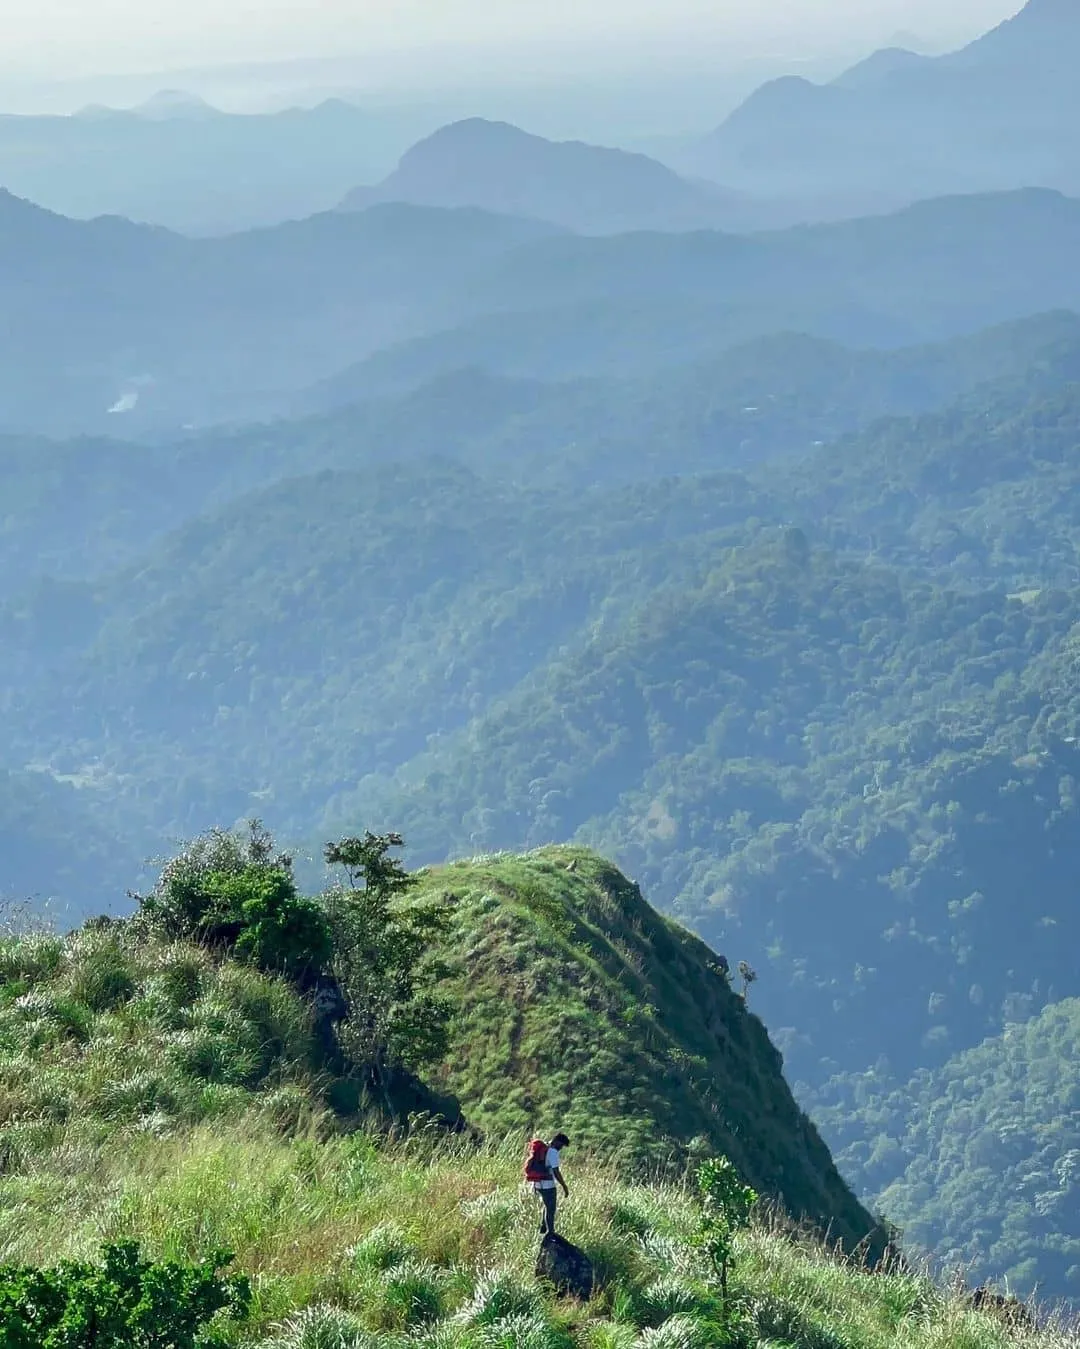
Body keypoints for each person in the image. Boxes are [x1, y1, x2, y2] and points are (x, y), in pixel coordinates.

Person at [533, 1132, 570, 1237]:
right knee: (551, 1209)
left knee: (546, 1206)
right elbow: (556, 1171)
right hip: (548, 1185)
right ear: (557, 1141)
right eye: (561, 1145)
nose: (561, 1148)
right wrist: (564, 1186)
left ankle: (543, 1229)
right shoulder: (553, 1152)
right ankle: (550, 1233)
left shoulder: (544, 1148)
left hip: (538, 1184)